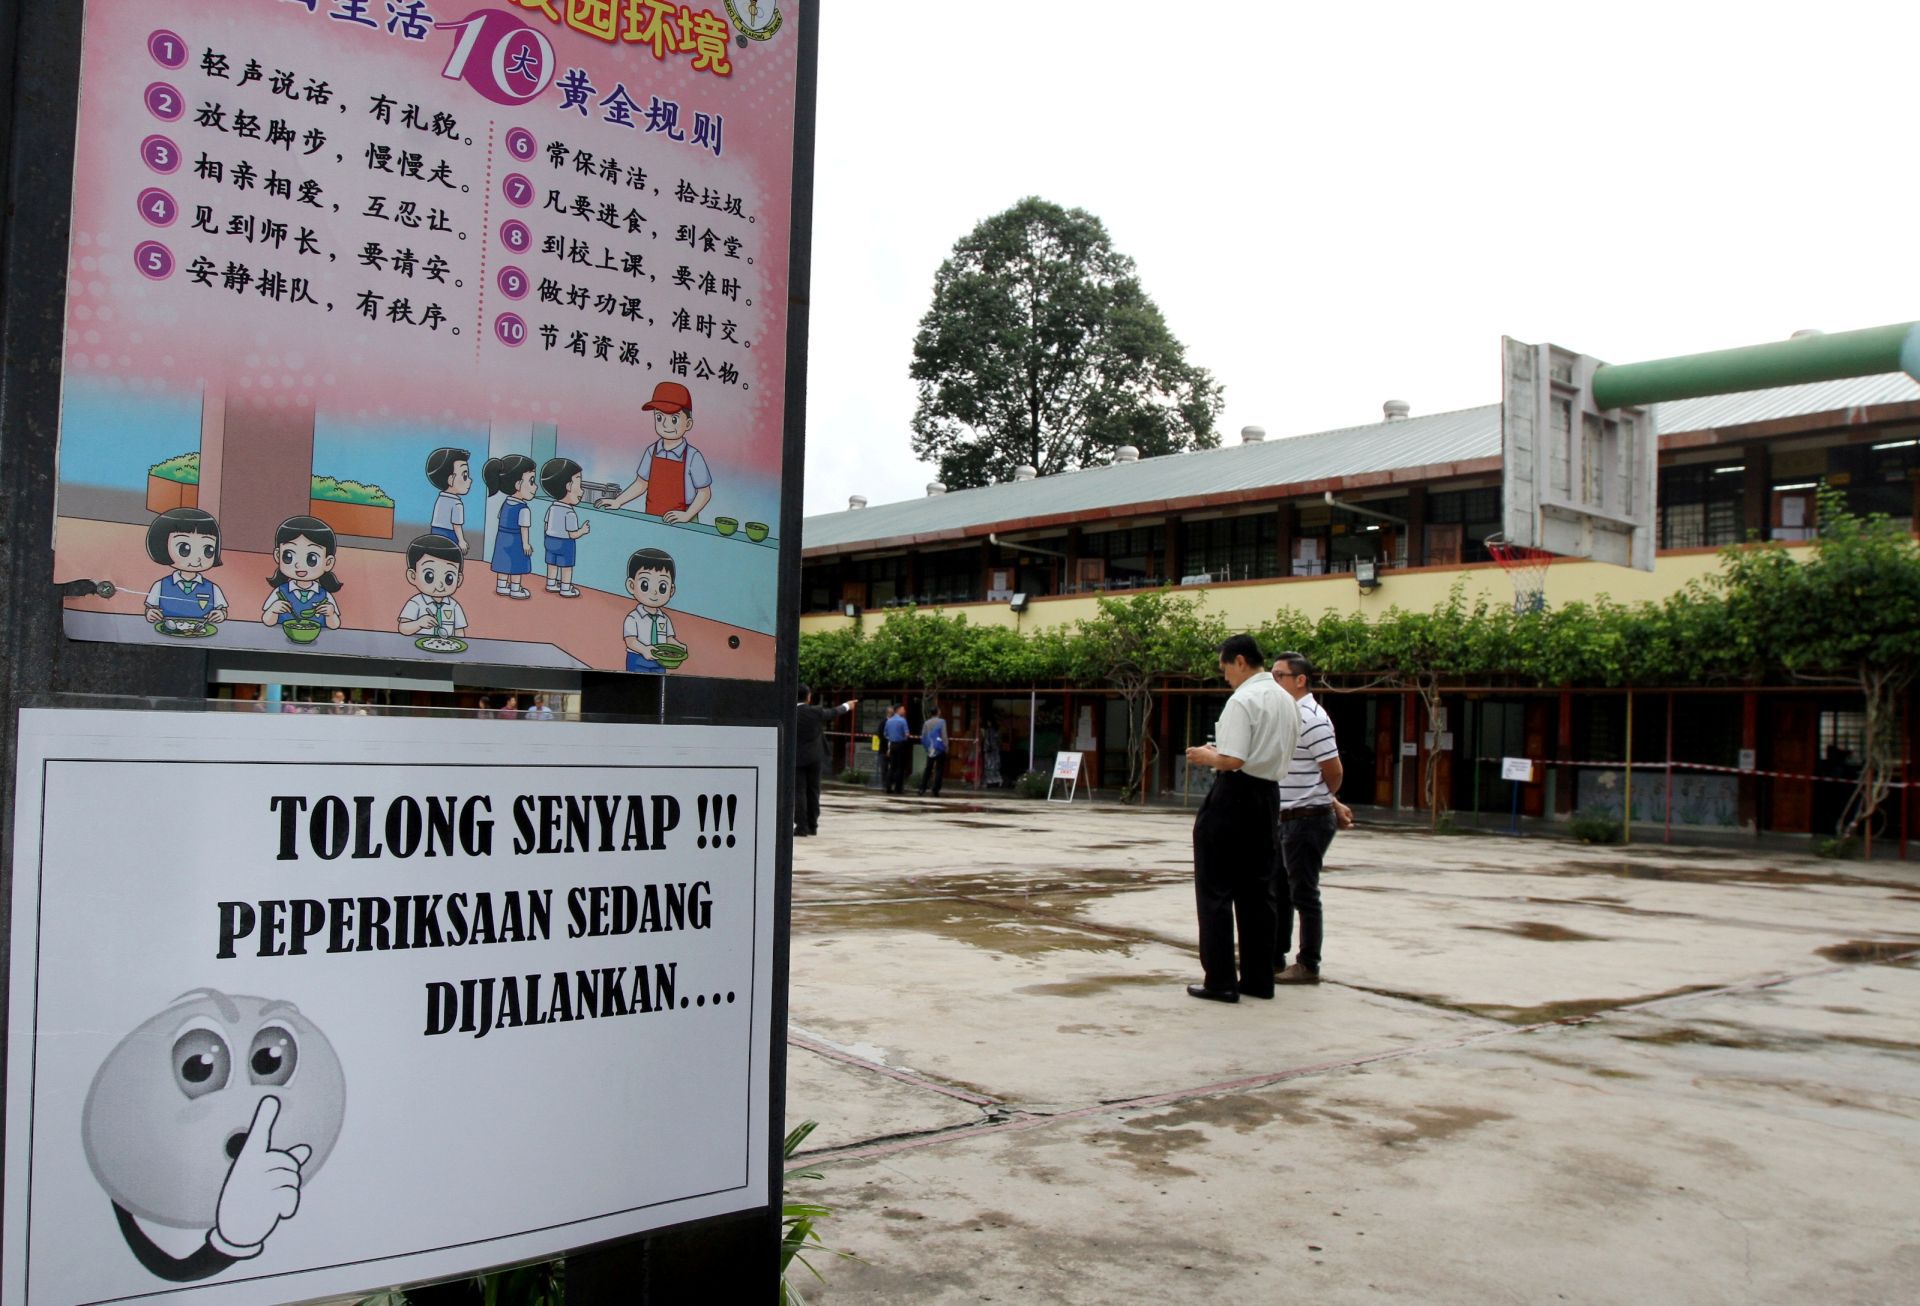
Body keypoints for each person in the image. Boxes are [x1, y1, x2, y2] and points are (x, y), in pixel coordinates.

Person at [1181, 635, 1299, 1003]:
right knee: (1259, 892)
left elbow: (1233, 760)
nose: (1226, 677)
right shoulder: (1286, 699)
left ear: (1241, 661)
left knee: (1215, 891)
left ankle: (1220, 980)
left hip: (1235, 794)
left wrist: (1206, 755)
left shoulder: (1243, 699)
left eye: (1226, 668)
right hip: (1268, 798)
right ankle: (1259, 978)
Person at [1272, 652, 1355, 986]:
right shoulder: (1289, 714)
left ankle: (1308, 963)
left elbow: (1332, 771)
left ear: (1300, 679)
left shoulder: (1312, 718)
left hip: (1306, 818)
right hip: (1286, 815)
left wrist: (1326, 800)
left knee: (1303, 892)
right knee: (1277, 889)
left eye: (1280, 676)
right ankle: (1273, 953)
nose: (1274, 682)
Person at [595, 381, 713, 524]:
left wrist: (687, 515)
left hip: (683, 520)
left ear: (688, 424)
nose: (665, 424)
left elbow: (704, 493)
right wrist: (618, 501)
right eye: (659, 417)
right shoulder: (652, 451)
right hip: (652, 516)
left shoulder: (693, 457)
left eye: (674, 419)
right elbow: (641, 483)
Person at [262, 516, 344, 632]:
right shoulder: (280, 592)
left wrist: (330, 614)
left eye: (311, 559)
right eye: (289, 556)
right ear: (277, 556)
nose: (299, 565)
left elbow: (334, 625)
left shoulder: (324, 596)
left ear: (328, 562)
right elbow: (267, 621)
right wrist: (273, 610)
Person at [795, 685, 857, 835]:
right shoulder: (815, 711)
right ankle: (813, 826)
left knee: (799, 792)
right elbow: (834, 712)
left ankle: (801, 826)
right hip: (815, 757)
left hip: (796, 758)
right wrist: (847, 706)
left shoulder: (789, 712)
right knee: (814, 791)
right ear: (808, 697)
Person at [484, 454, 539, 599]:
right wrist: (526, 544)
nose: (535, 486)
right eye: (532, 481)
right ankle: (515, 588)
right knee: (516, 564)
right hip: (516, 539)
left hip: (502, 538)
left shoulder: (506, 503)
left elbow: (500, 518)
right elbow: (524, 528)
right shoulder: (523, 509)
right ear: (518, 485)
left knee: (503, 562)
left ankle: (501, 585)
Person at [622, 548, 682, 673]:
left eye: (662, 587)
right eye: (645, 585)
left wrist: (678, 646)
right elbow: (630, 641)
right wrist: (644, 649)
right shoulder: (633, 618)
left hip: (660, 660)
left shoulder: (664, 619)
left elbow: (669, 638)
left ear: (671, 590)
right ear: (631, 585)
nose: (654, 592)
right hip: (637, 659)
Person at [539, 457, 592, 596]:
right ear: (568, 487)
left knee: (552, 563)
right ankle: (565, 588)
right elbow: (572, 534)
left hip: (550, 540)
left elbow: (545, 524)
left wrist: (547, 537)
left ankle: (551, 583)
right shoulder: (570, 512)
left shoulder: (552, 507)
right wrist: (583, 531)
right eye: (580, 487)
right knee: (566, 567)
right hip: (564, 543)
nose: (582, 492)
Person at [425, 446, 472, 552]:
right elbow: (456, 525)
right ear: (451, 480)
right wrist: (461, 540)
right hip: (450, 535)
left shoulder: (440, 498)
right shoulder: (457, 503)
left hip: (435, 533)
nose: (469, 480)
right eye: (465, 475)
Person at [918, 705, 949, 796]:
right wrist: (946, 746)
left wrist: (926, 747)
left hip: (930, 749)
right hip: (940, 748)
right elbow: (944, 735)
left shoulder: (926, 723)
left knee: (928, 769)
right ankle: (935, 789)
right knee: (939, 769)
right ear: (938, 712)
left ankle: (922, 788)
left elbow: (923, 736)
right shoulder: (942, 722)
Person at [882, 704, 912, 795]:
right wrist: (904, 738)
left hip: (892, 745)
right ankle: (898, 788)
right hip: (901, 745)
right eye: (903, 709)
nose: (904, 711)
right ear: (898, 710)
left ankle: (888, 787)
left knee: (892, 767)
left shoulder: (889, 721)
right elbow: (907, 734)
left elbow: (885, 734)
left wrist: (891, 738)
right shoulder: (903, 721)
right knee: (900, 767)